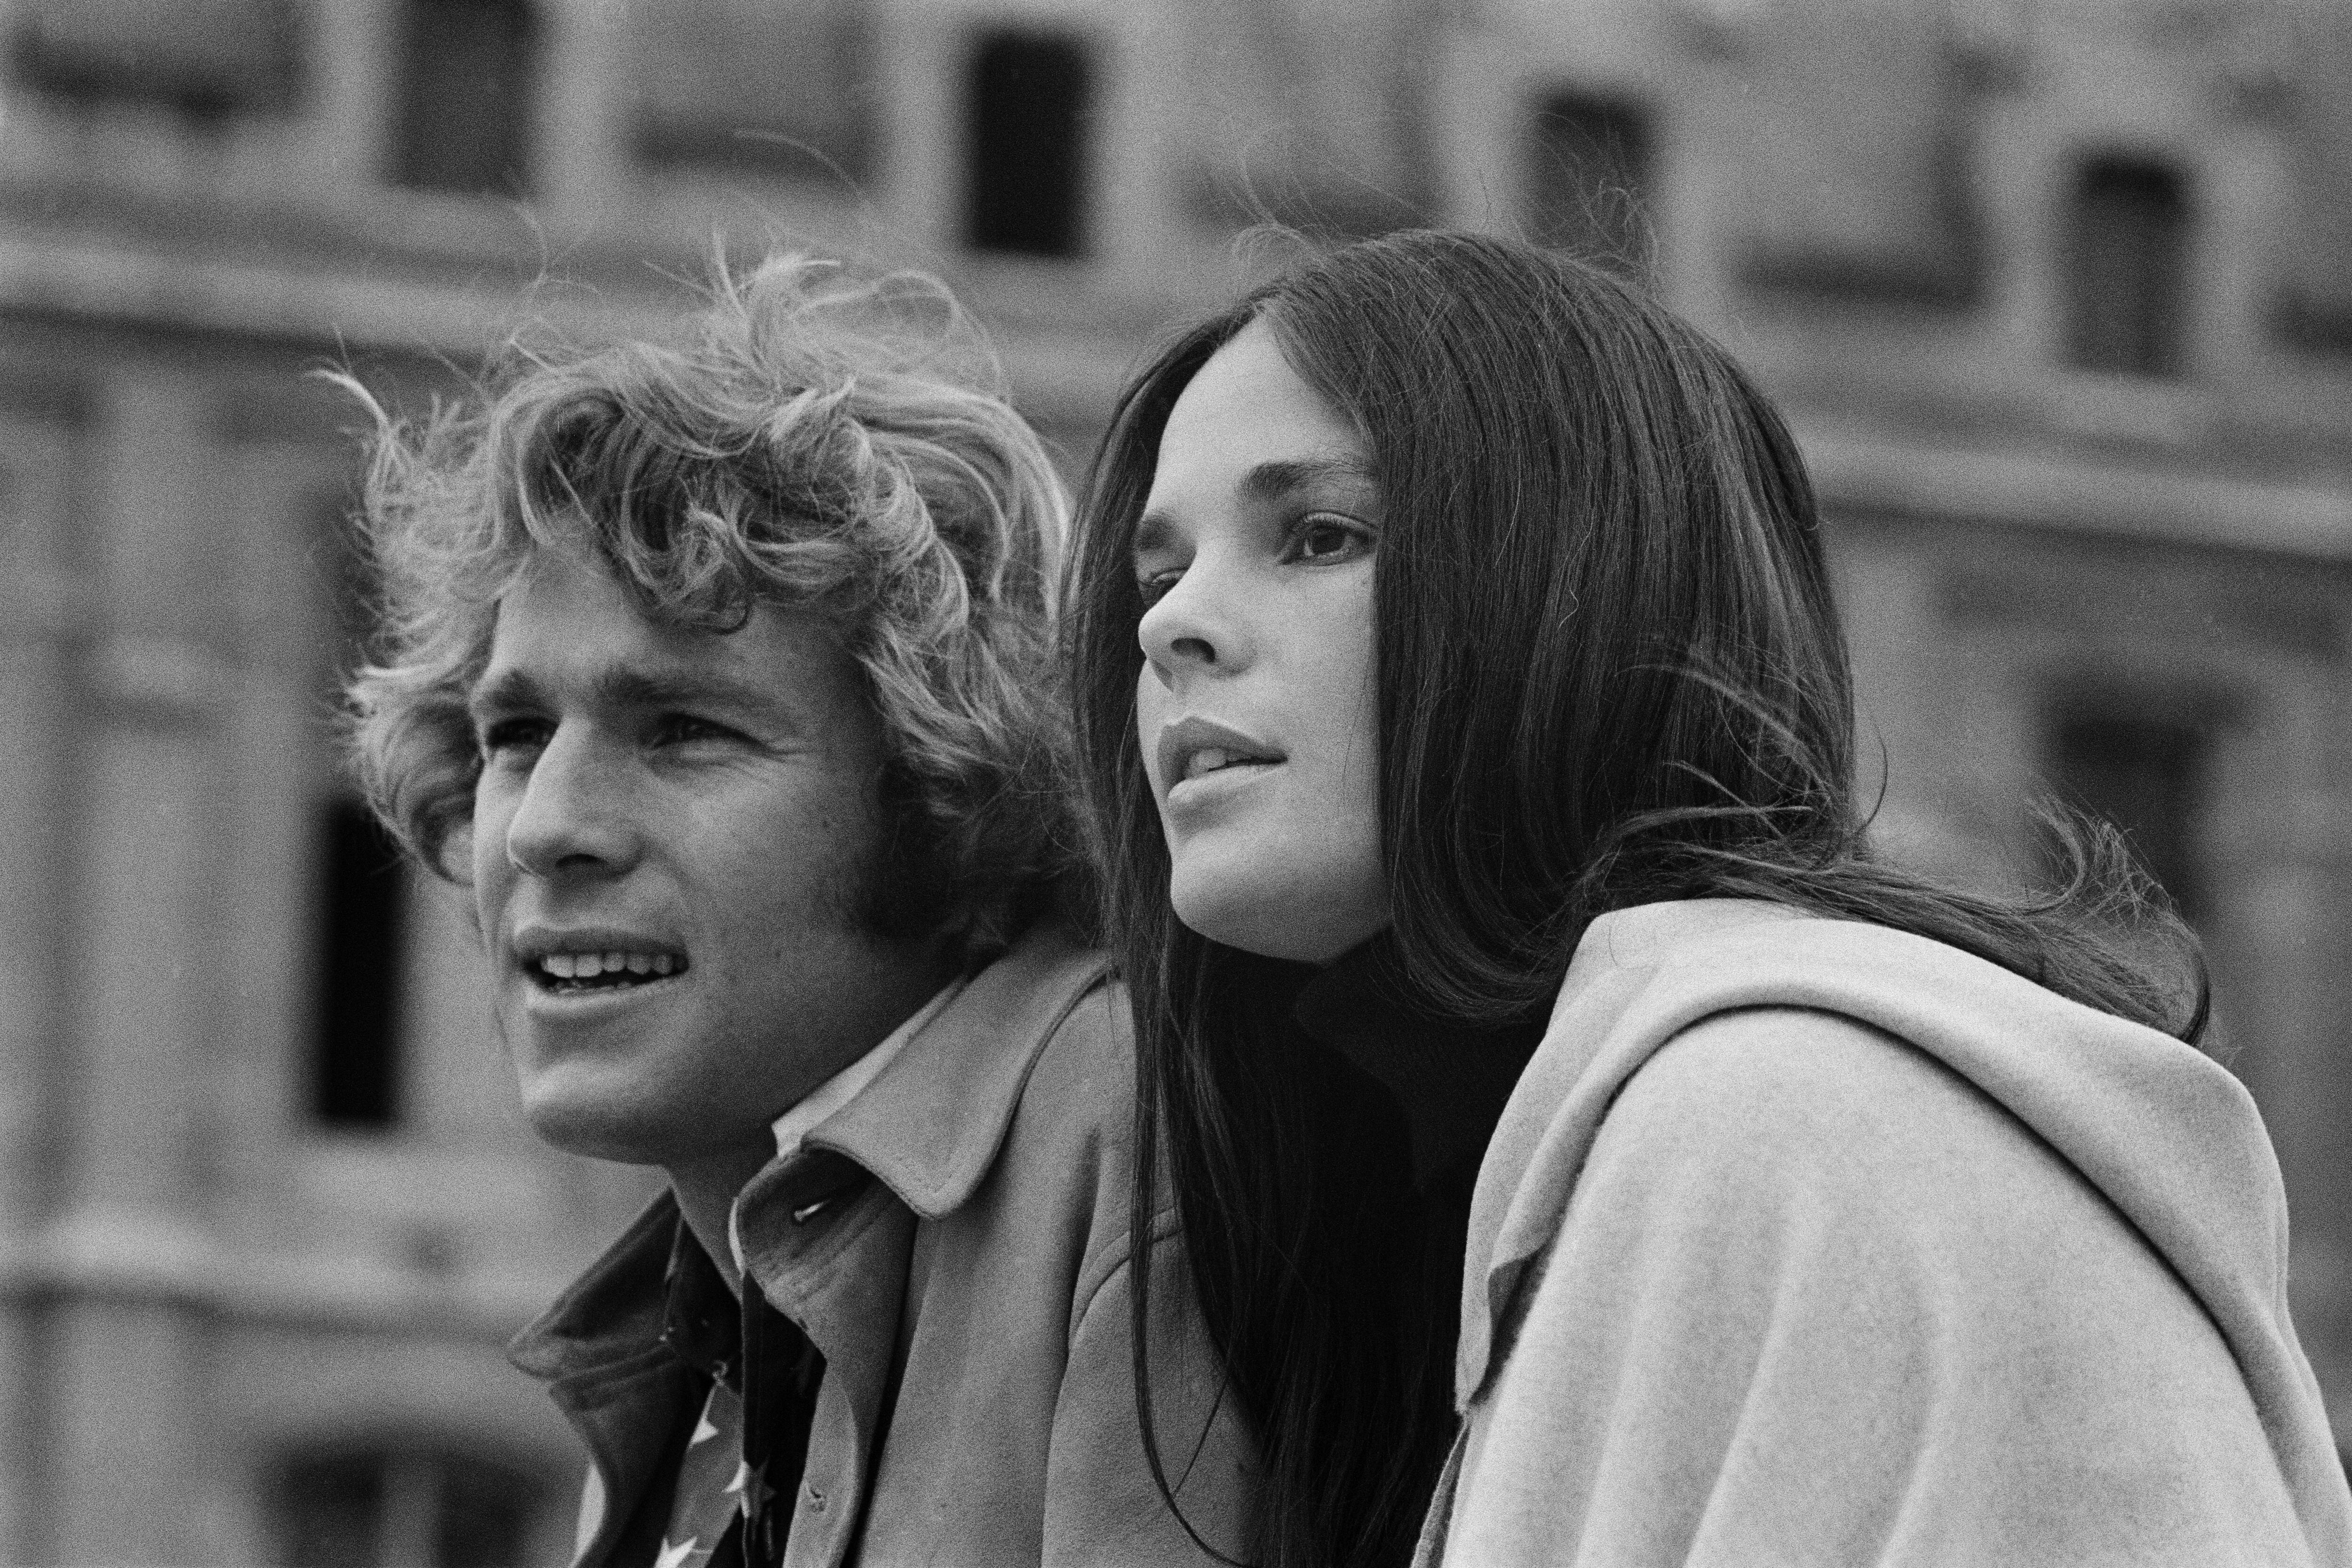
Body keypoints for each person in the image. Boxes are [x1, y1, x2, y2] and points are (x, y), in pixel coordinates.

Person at [1065, 229, 2352, 1568]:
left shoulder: (1821, 1124)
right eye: (1160, 574)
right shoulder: (1406, 1195)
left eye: (1319, 536)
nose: (1168, 625)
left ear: (1575, 586)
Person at [343, 254, 1251, 1568]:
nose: (542, 824)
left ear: (951, 782)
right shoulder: (695, 1326)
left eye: (684, 730)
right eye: (514, 733)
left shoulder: (1130, 1145)